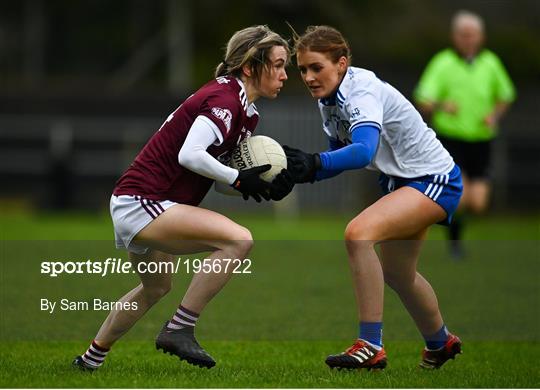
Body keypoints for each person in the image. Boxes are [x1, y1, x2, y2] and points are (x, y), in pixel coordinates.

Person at [72, 25, 294, 371]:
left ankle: (89, 360)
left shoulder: (247, 113)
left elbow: (213, 175)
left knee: (155, 288)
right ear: (250, 67)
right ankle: (179, 329)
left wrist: (253, 184)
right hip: (143, 200)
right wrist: (237, 177)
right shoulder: (225, 99)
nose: (284, 75)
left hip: (146, 202)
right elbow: (190, 155)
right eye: (278, 65)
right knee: (239, 240)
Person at [285, 25, 463, 370]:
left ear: (341, 63)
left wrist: (312, 163)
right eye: (302, 69)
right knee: (398, 273)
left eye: (316, 67)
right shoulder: (329, 98)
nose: (308, 77)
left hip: (434, 179)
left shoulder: (361, 90)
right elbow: (338, 157)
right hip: (405, 182)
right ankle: (440, 342)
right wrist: (296, 174)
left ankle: (370, 345)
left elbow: (363, 152)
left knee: (358, 233)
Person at [414, 10, 516, 258]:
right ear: (454, 37)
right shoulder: (442, 62)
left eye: (472, 35)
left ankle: (444, 220)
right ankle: (454, 243)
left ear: (481, 37)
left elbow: (506, 96)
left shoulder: (491, 63)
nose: (468, 39)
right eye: (463, 35)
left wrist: (494, 115)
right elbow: (422, 99)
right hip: (451, 138)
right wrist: (441, 106)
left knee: (478, 203)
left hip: (482, 139)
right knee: (460, 197)